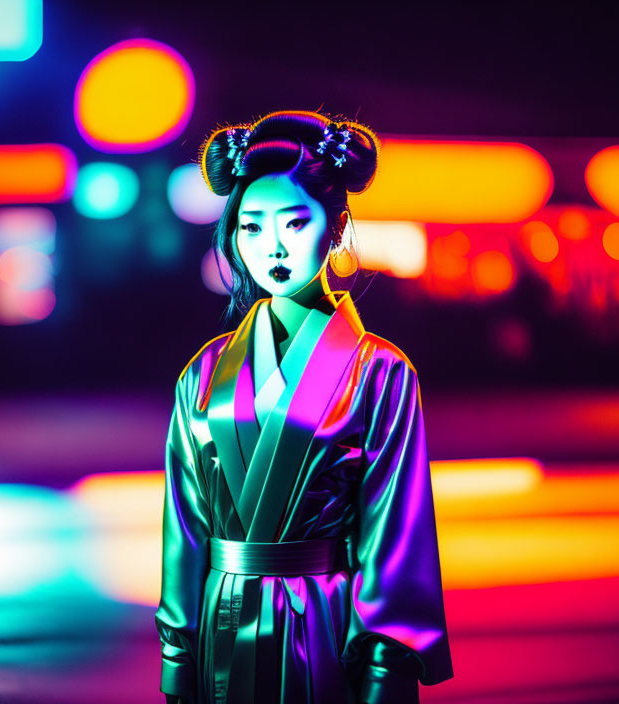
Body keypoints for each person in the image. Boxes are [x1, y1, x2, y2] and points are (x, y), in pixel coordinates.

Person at [155, 110, 453, 704]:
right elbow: (184, 531)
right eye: (251, 228)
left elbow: (395, 539)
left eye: (294, 222)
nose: (273, 249)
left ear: (337, 226)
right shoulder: (205, 372)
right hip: (219, 624)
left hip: (323, 624)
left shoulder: (383, 373)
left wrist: (382, 674)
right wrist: (175, 659)